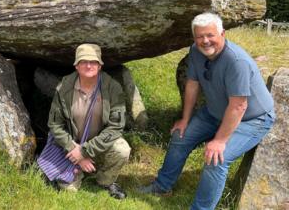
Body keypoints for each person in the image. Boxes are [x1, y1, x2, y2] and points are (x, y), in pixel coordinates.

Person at [138, 12, 275, 209]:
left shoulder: (237, 61)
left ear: (223, 34)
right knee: (180, 136)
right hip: (215, 112)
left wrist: (219, 141)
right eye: (200, 36)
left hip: (251, 119)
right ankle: (162, 186)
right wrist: (185, 119)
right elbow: (192, 84)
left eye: (210, 35)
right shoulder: (195, 51)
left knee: (216, 159)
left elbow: (239, 106)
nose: (205, 41)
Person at [47, 43, 131, 199]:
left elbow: (116, 127)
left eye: (93, 62)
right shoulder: (64, 87)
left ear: (100, 66)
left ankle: (105, 180)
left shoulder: (113, 88)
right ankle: (77, 170)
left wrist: (85, 151)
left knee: (122, 149)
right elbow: (55, 125)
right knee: (68, 191)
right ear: (76, 66)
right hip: (70, 147)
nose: (88, 65)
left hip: (98, 144)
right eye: (83, 61)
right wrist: (74, 151)